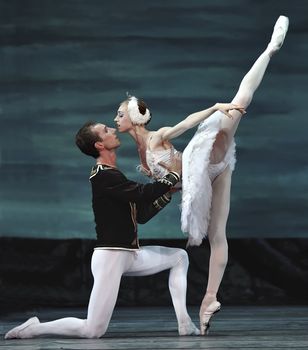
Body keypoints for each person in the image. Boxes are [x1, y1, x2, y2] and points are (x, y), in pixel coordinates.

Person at [113, 16, 289, 335]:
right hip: (201, 181)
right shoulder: (141, 154)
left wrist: (213, 107)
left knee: (237, 105)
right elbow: (166, 189)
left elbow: (185, 124)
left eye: (120, 114)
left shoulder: (155, 137)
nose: (116, 118)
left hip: (199, 161)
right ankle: (209, 300)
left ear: (134, 119)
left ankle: (270, 49)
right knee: (217, 235)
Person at [4, 121, 200, 339]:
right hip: (111, 257)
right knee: (93, 330)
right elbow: (143, 193)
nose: (113, 130)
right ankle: (34, 328)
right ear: (99, 145)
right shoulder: (103, 176)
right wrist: (174, 174)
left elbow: (141, 215)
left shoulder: (113, 176)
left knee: (179, 257)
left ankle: (185, 323)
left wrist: (168, 192)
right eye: (106, 130)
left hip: (128, 254)